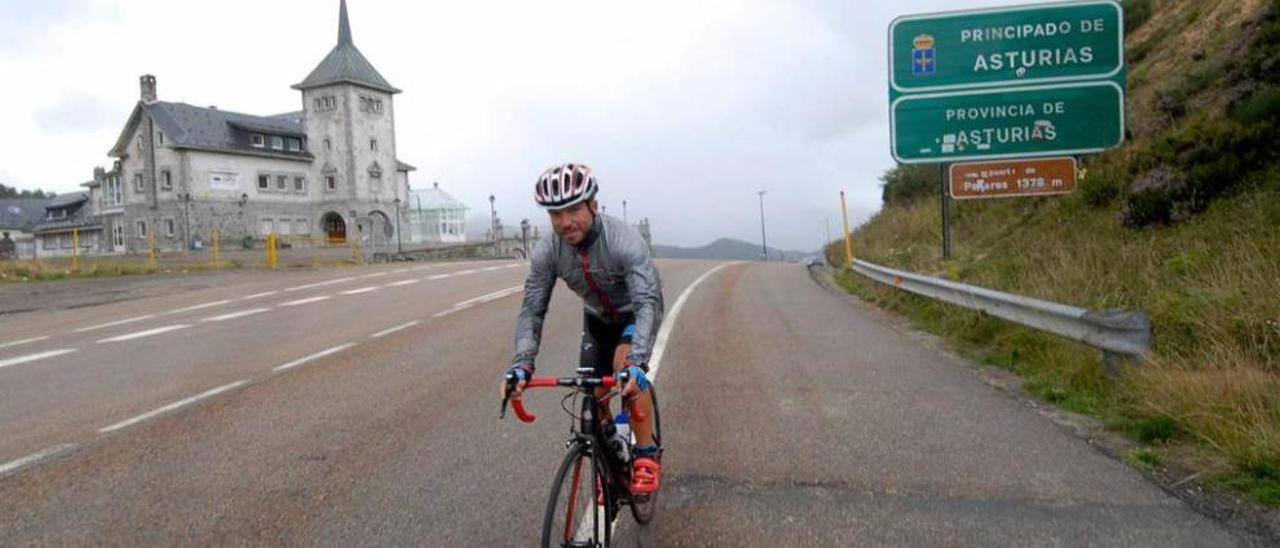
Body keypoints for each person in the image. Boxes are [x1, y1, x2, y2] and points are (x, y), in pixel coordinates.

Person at [500, 162, 665, 493]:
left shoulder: (624, 241)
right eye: (555, 214)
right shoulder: (549, 251)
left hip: (635, 312)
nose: (564, 222)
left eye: (573, 210)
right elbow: (532, 309)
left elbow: (647, 301)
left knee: (624, 369)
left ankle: (646, 454)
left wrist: (637, 362)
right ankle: (612, 459)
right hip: (598, 319)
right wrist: (521, 365)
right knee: (593, 397)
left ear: (593, 205)